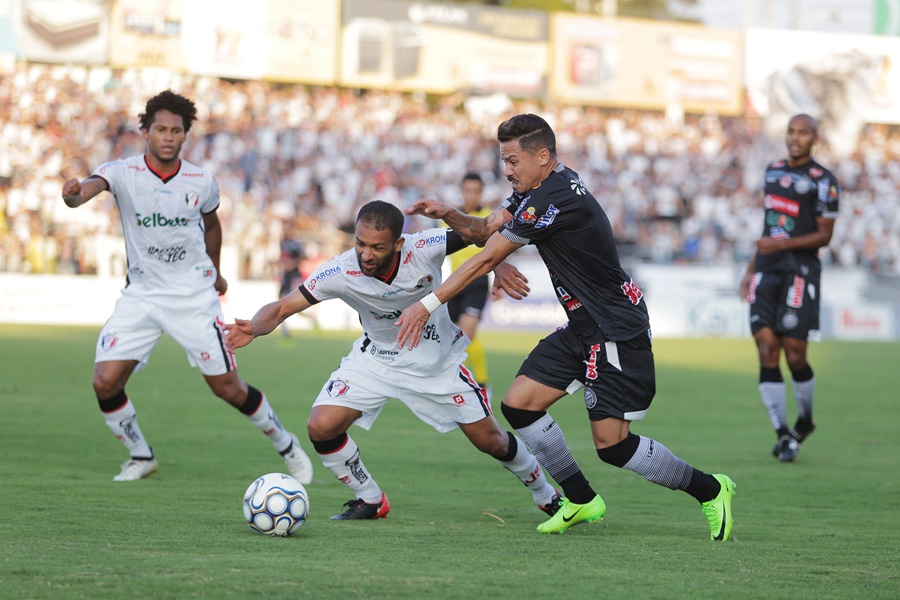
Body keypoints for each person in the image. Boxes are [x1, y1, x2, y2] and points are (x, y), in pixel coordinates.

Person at [396, 114, 736, 539]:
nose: (507, 170)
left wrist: (425, 305)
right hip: (583, 324)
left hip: (614, 328)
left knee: (613, 446)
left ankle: (710, 489)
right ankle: (581, 499)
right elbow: (484, 231)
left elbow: (485, 257)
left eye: (513, 160)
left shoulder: (552, 199)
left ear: (542, 156)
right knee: (520, 404)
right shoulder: (539, 187)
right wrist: (450, 214)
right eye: (504, 160)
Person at [224, 200, 561, 521]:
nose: (365, 255)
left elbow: (479, 234)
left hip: (435, 364)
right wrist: (254, 326)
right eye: (360, 244)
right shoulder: (341, 270)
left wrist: (498, 264)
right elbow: (283, 307)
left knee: (491, 441)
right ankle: (370, 498)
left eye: (377, 248)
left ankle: (545, 492)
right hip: (376, 360)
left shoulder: (424, 245)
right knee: (321, 426)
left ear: (398, 244)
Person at [61, 90, 313, 484]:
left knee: (227, 388)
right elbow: (88, 189)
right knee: (104, 381)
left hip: (194, 298)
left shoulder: (201, 181)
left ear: (185, 135)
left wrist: (215, 272)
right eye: (160, 128)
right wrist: (74, 196)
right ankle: (141, 456)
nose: (168, 136)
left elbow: (212, 226)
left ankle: (285, 442)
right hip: (141, 296)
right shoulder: (122, 172)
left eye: (176, 130)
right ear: (145, 131)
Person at [739, 113, 839, 463]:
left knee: (795, 353)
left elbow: (825, 236)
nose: (795, 138)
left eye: (803, 133)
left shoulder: (824, 181)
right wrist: (751, 269)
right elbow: (769, 225)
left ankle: (806, 420)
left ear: (815, 138)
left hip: (800, 270)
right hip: (767, 268)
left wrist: (780, 246)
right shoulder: (772, 171)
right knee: (766, 345)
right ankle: (783, 433)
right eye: (791, 132)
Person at [445, 172, 493, 387]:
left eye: (475, 191)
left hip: (477, 282)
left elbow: (499, 250)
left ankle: (481, 382)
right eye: (467, 191)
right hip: (454, 283)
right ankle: (455, 381)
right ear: (462, 192)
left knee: (466, 334)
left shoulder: (490, 217)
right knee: (452, 337)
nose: (471, 195)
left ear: (481, 193)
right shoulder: (450, 218)